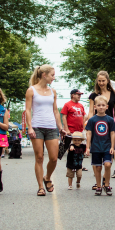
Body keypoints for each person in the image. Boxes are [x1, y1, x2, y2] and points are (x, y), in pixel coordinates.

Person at [25, 65, 66, 196]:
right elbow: (27, 110)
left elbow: (55, 110)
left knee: (54, 158)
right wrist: (29, 127)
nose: (54, 77)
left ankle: (47, 177)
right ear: (44, 74)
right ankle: (41, 187)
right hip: (37, 127)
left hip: (51, 127)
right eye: (52, 75)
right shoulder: (31, 90)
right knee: (40, 157)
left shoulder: (52, 91)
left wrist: (60, 128)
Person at [87, 71, 115, 178]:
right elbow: (91, 111)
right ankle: (97, 176)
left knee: (110, 149)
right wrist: (89, 124)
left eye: (103, 81)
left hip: (110, 125)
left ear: (107, 81)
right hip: (96, 126)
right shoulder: (93, 95)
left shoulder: (114, 94)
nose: (101, 83)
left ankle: (106, 177)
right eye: (99, 81)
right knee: (96, 151)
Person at [85, 95, 115, 196]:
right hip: (96, 147)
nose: (101, 107)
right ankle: (99, 186)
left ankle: (106, 185)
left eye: (103, 105)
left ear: (107, 107)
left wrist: (112, 147)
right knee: (97, 168)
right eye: (99, 105)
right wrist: (87, 147)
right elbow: (89, 133)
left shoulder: (110, 120)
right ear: (95, 107)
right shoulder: (92, 120)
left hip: (107, 146)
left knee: (107, 164)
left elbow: (112, 133)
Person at [60, 89, 86, 160]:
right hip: (71, 130)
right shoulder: (67, 104)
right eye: (78, 94)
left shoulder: (81, 105)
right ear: (73, 95)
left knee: (81, 148)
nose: (80, 96)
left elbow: (83, 116)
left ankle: (79, 164)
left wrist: (84, 128)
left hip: (80, 131)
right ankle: (71, 164)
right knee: (72, 148)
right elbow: (64, 117)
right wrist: (66, 129)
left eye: (80, 95)